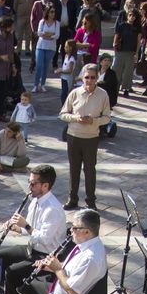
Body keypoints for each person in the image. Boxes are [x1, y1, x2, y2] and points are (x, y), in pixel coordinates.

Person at [0, 164, 68, 279]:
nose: (29, 186)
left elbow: (45, 240)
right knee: (0, 256)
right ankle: (1, 289)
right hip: (32, 249)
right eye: (29, 182)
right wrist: (17, 228)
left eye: (33, 184)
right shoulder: (35, 201)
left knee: (12, 272)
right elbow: (30, 230)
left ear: (45, 186)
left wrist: (26, 225)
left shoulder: (52, 210)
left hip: (45, 256)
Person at [59, 63, 111, 210]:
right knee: (73, 169)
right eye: (86, 77)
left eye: (92, 77)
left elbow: (107, 117)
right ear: (82, 77)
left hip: (91, 138)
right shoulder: (75, 93)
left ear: (97, 78)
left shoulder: (103, 95)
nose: (89, 80)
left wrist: (94, 121)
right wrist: (76, 118)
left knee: (89, 170)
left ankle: (90, 200)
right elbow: (63, 114)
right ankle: (72, 199)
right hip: (74, 136)